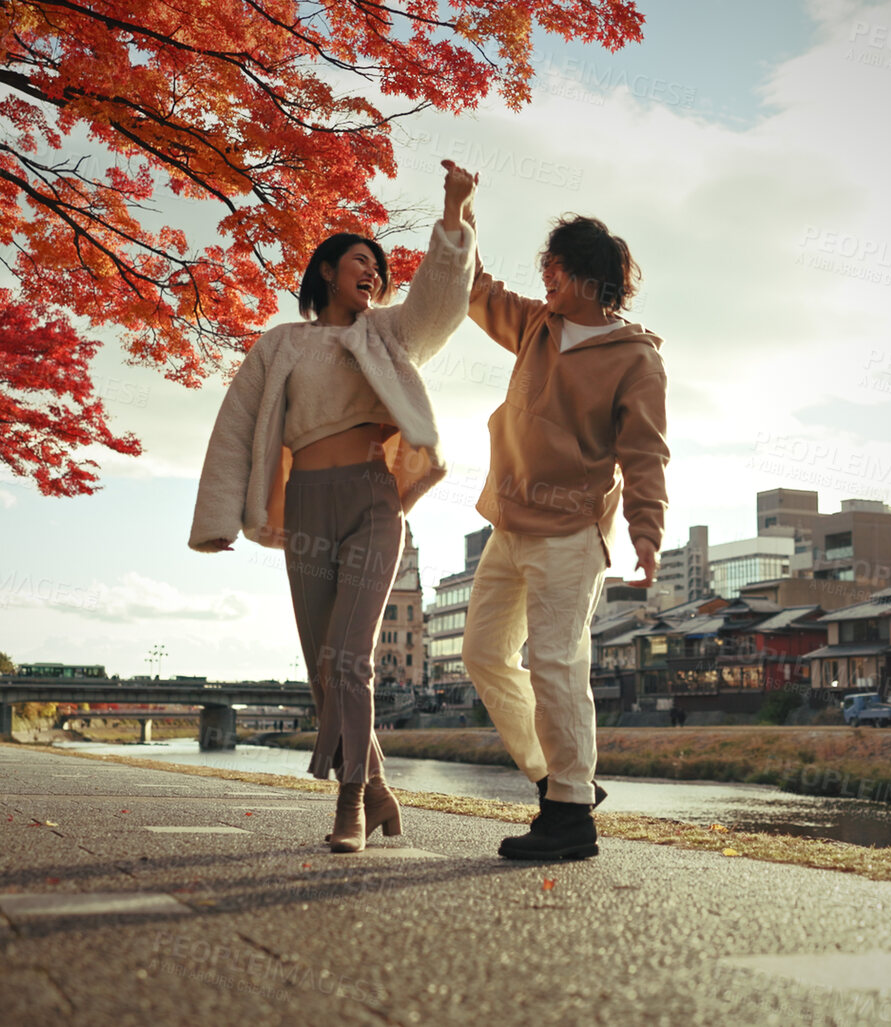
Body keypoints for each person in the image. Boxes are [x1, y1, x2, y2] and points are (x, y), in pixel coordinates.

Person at [191, 160, 479, 853]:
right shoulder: (280, 344)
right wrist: (217, 519)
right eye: (360, 261)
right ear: (325, 270)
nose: (373, 273)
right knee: (324, 668)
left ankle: (348, 803)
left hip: (373, 502)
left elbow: (439, 304)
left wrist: (453, 215)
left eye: (378, 267)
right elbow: (234, 427)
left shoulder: (386, 333)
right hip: (306, 508)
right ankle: (377, 788)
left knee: (350, 658)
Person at [462, 213, 669, 861]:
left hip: (571, 531)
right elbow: (473, 289)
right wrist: (460, 219)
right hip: (509, 521)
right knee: (482, 653)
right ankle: (557, 778)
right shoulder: (535, 325)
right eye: (543, 269)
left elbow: (644, 454)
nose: (543, 279)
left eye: (554, 270)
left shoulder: (635, 360)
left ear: (587, 279)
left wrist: (646, 531)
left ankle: (570, 816)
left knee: (554, 663)